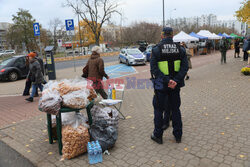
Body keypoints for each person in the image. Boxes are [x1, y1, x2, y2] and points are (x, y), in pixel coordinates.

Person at [150, 27, 188, 144]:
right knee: (175, 109)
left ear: (162, 35)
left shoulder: (156, 50)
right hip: (175, 86)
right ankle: (178, 136)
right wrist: (175, 80)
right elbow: (184, 68)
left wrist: (167, 81)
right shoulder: (181, 49)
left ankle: (158, 135)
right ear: (172, 35)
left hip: (161, 86)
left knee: (158, 110)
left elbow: (154, 70)